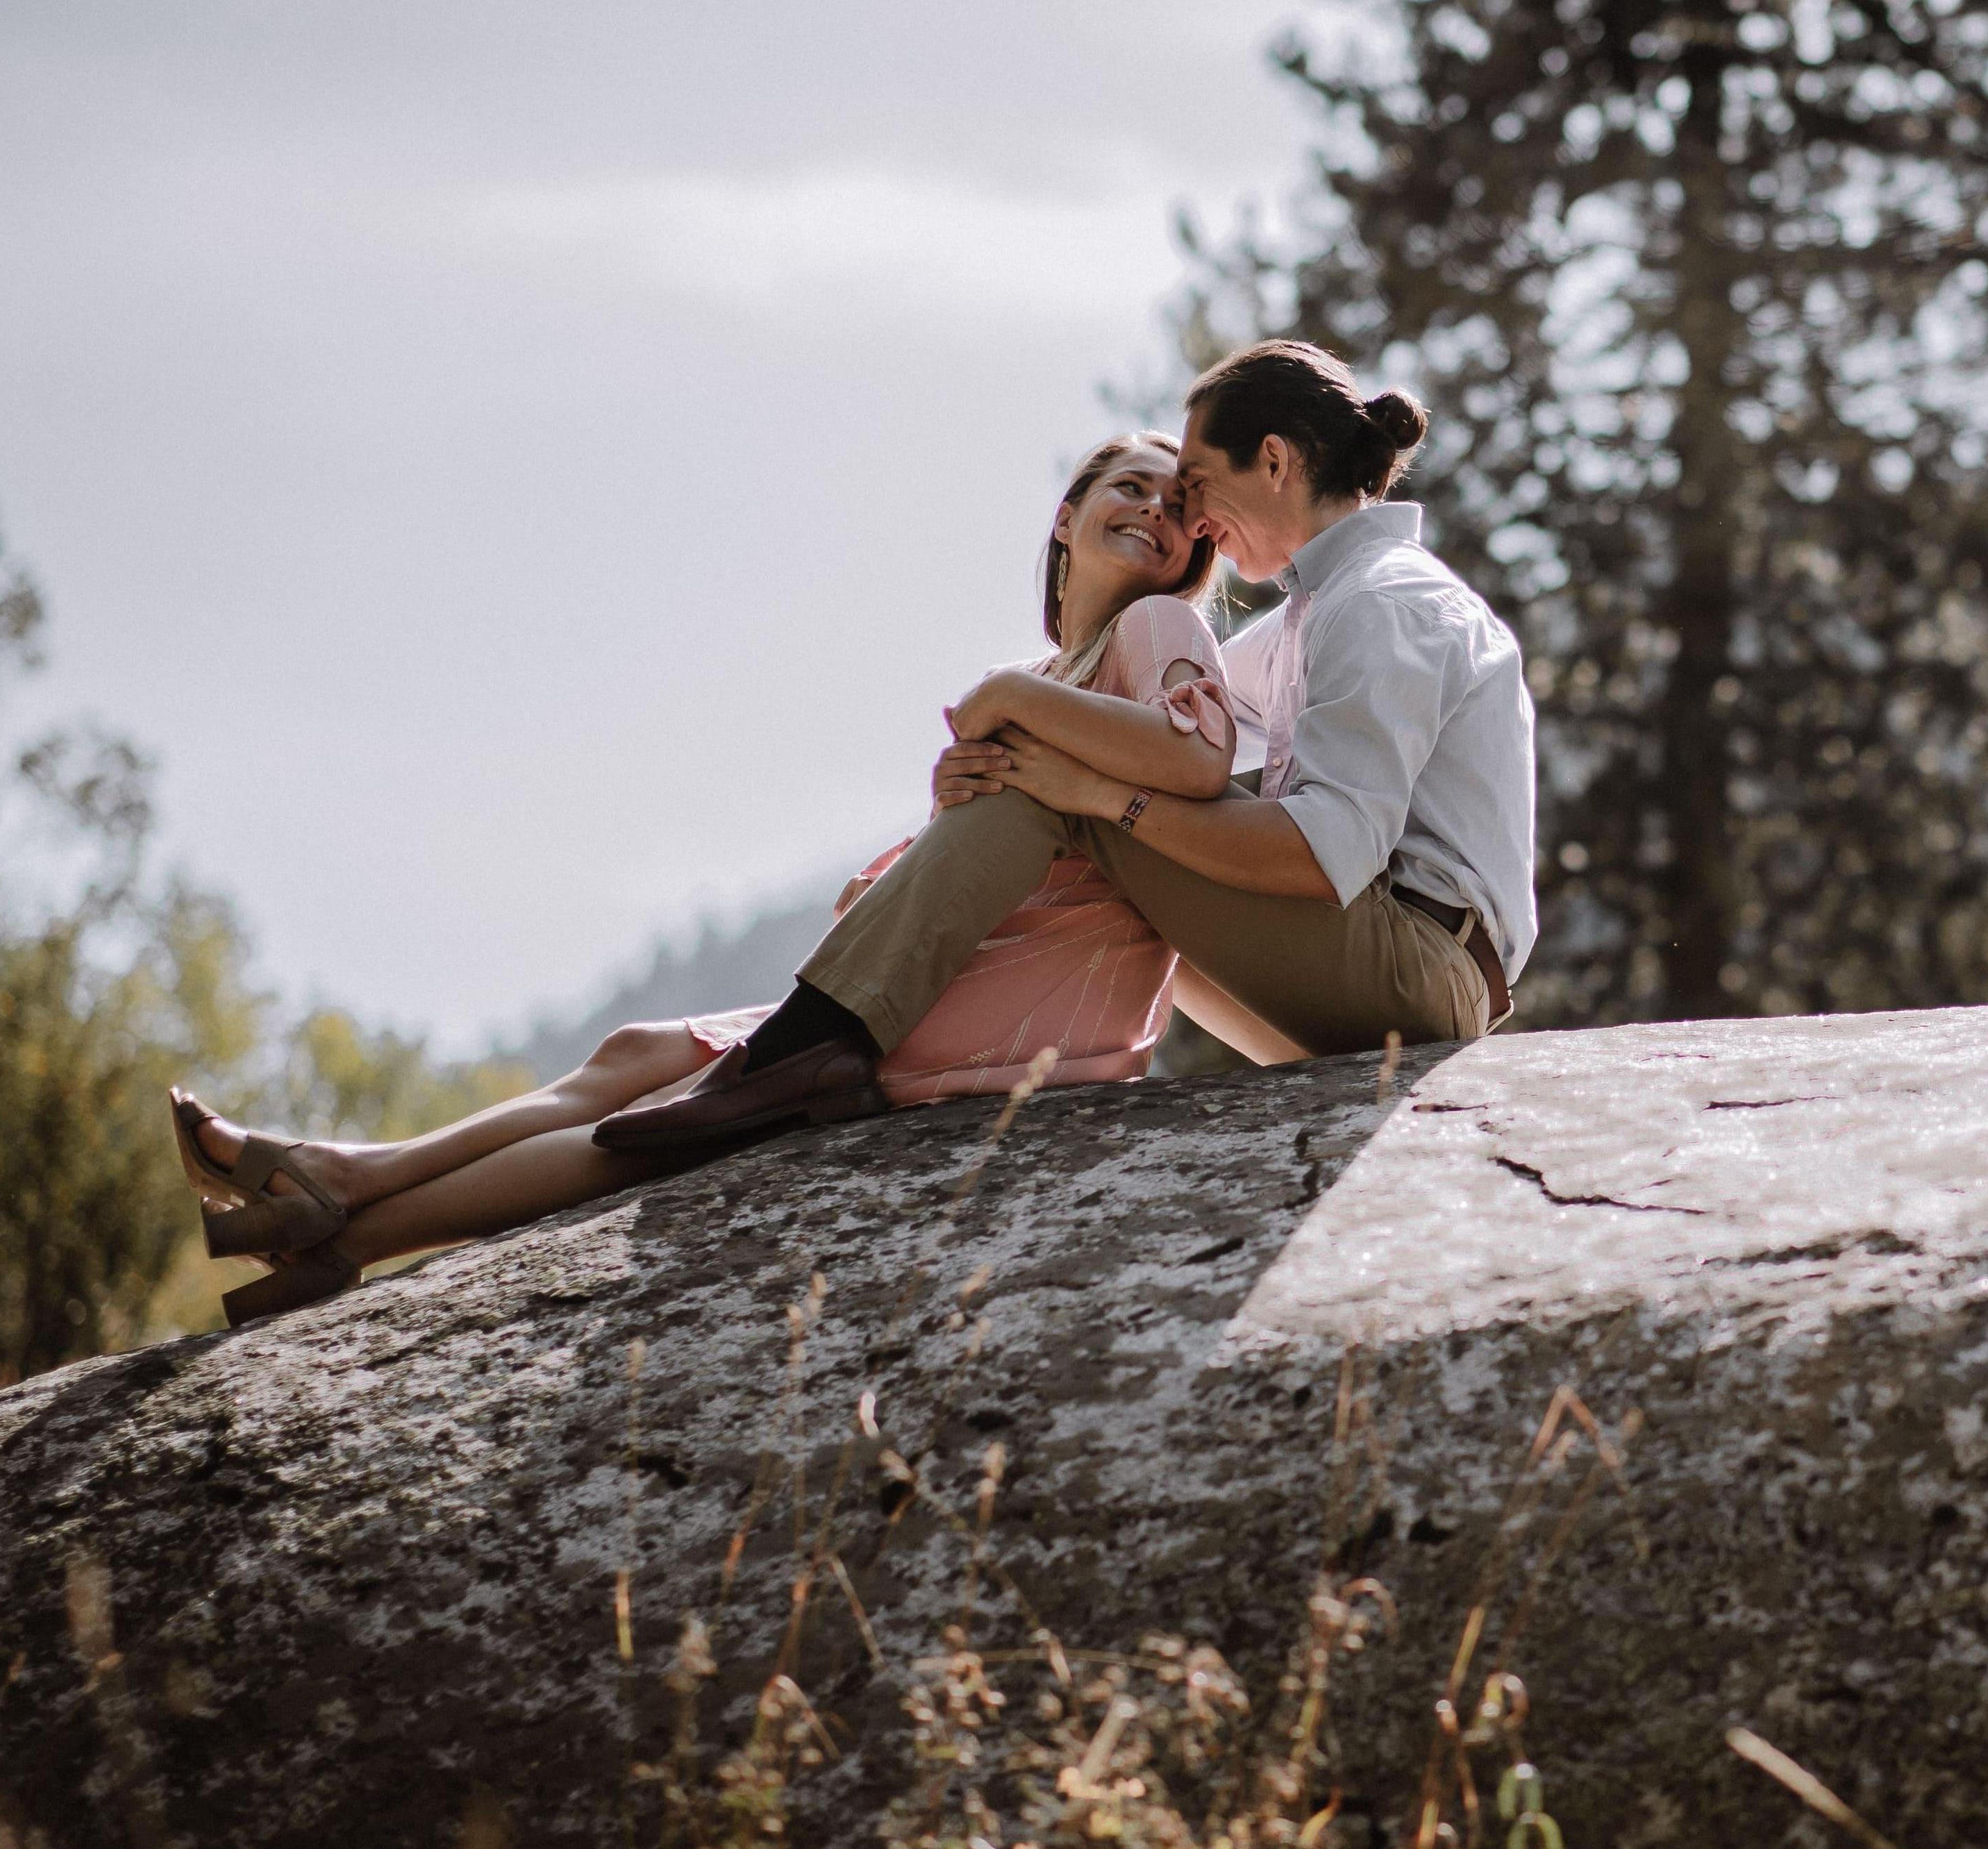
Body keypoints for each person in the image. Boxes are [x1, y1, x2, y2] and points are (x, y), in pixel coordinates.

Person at [169, 431, 1234, 1323]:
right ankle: (344, 1190)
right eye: (1125, 484)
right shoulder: (1056, 674)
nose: (1151, 507)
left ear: (1194, 548)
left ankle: (347, 1216)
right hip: (964, 966)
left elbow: (1200, 756)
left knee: (682, 1110)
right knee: (638, 1049)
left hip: (1034, 995)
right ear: (1066, 515)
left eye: (1177, 502)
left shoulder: (1157, 625)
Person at [599, 338, 1537, 1162]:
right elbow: (1147, 726)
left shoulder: (1382, 603)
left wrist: (1080, 781)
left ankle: (812, 1042)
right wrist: (979, 766)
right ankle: (868, 1039)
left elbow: (1317, 854)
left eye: (1200, 487)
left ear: (1275, 460)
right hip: (1376, 975)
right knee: (1068, 775)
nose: (1198, 521)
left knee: (1074, 793)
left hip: (1419, 979)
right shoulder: (1314, 615)